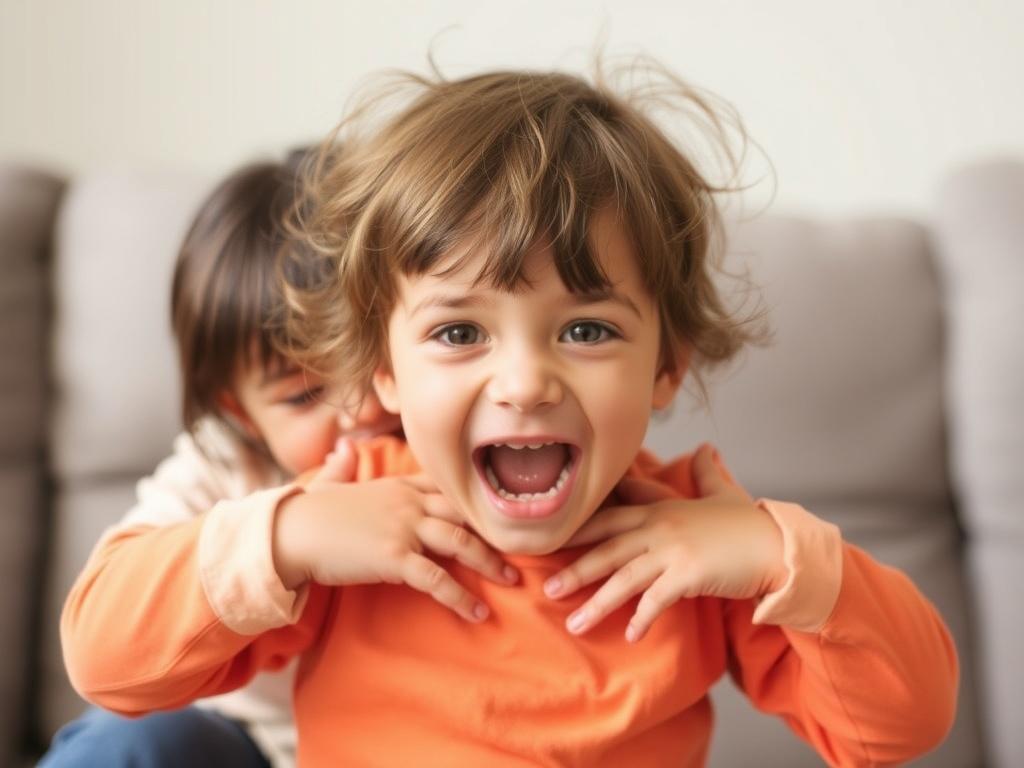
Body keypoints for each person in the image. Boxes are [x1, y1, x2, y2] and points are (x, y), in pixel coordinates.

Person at [61, 64, 959, 767]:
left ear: (667, 365)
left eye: (586, 327)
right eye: (459, 331)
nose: (525, 381)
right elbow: (105, 659)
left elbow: (902, 725)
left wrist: (778, 557)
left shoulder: (694, 542)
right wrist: (285, 536)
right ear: (383, 373)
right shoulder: (352, 521)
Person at [41, 154, 405, 767]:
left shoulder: (468, 441)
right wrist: (286, 536)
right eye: (306, 394)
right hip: (247, 747)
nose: (363, 407)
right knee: (133, 743)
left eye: (379, 359)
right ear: (241, 412)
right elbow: (101, 631)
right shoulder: (221, 466)